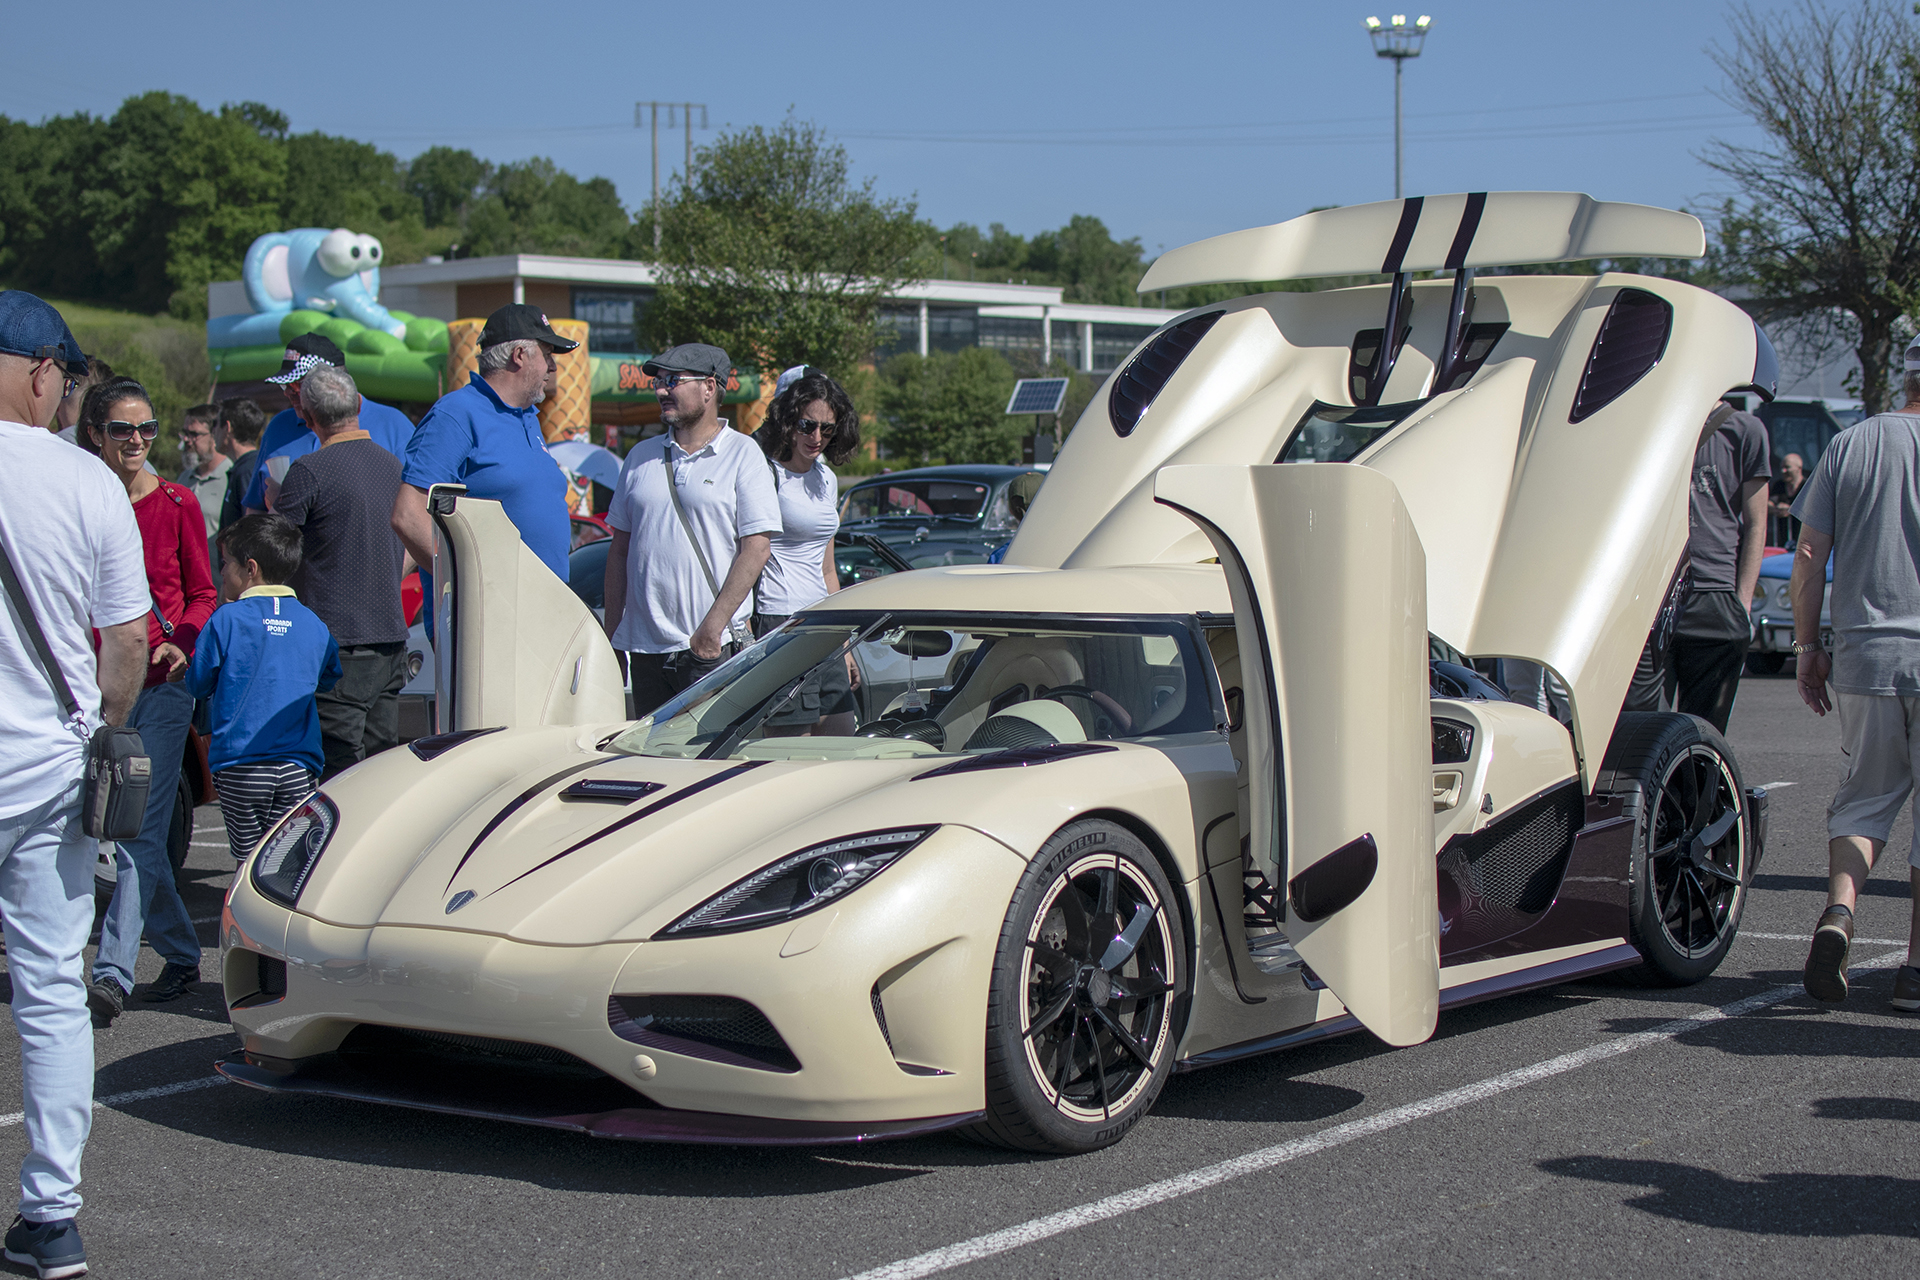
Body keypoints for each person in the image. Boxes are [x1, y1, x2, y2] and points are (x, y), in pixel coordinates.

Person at [0, 292, 147, 1280]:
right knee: (51, 987)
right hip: (48, 763)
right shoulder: (89, 482)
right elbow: (129, 639)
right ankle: (51, 1216)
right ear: (44, 371)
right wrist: (98, 725)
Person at [81, 375, 217, 1028]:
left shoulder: (177, 502)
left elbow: (202, 592)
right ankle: (180, 950)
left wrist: (184, 644)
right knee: (108, 828)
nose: (137, 440)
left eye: (147, 429)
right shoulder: (78, 499)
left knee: (134, 829)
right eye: (123, 429)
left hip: (163, 689)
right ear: (95, 434)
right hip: (90, 686)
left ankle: (110, 974)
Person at [1789, 342, 1920, 1008]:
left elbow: (1810, 550)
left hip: (1869, 650)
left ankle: (1840, 912)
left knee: (1865, 798)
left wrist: (1808, 644)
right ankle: (1915, 970)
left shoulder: (1854, 443)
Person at [603, 343, 779, 714]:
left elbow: (757, 549)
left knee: (712, 766)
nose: (662, 390)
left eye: (673, 381)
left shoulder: (743, 453)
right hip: (646, 651)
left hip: (709, 652)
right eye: (658, 382)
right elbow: (619, 551)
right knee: (653, 765)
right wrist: (612, 638)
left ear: (709, 388)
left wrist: (711, 632)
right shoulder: (640, 456)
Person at [272, 365, 408, 779]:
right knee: (380, 764)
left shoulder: (309, 470)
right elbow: (420, 543)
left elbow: (275, 553)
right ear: (358, 406)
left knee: (338, 771)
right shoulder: (395, 468)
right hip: (390, 636)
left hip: (337, 641)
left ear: (308, 417)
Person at [184, 516, 340, 861]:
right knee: (288, 864)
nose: (221, 572)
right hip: (298, 765)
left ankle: (240, 916)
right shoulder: (313, 623)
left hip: (242, 764)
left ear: (250, 568)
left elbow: (197, 683)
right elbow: (330, 675)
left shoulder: (225, 619)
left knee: (247, 863)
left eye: (225, 563)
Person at [391, 305, 575, 580]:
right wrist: (470, 585)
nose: (553, 366)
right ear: (519, 355)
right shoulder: (457, 413)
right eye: (547, 354)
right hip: (491, 614)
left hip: (543, 610)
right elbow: (408, 514)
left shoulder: (527, 416)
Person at [1623, 400, 1771, 732]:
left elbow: (1756, 524)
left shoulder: (1744, 430)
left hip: (1714, 593)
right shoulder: (1650, 418)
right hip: (1649, 595)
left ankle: (1695, 783)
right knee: (1639, 724)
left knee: (1704, 730)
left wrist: (1742, 602)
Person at [752, 370, 862, 735]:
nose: (816, 438)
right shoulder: (764, 473)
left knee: (842, 743)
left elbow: (827, 568)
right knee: (789, 752)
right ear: (787, 422)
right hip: (782, 620)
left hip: (824, 622)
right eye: (807, 425)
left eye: (827, 429)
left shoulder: (825, 478)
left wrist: (845, 643)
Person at [238, 334, 414, 514]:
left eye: (298, 385)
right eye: (285, 386)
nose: (288, 393)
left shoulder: (393, 424)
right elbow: (255, 508)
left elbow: (417, 504)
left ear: (335, 381)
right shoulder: (279, 426)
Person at [174, 403, 229, 546]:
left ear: (214, 434)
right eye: (185, 433)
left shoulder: (231, 476)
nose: (186, 440)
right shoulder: (184, 478)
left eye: (194, 434)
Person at [215, 397, 266, 545]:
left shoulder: (247, 470)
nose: (213, 431)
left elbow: (251, 531)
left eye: (216, 424)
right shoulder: (244, 467)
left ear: (227, 428)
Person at [1769, 450, 1806, 549]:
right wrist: (1776, 509)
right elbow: (1769, 503)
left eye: (1787, 467)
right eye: (1782, 468)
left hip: (1804, 540)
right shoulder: (1779, 485)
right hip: (1781, 541)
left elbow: (1813, 507)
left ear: (1799, 468)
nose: (1783, 471)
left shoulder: (1808, 486)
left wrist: (1790, 510)